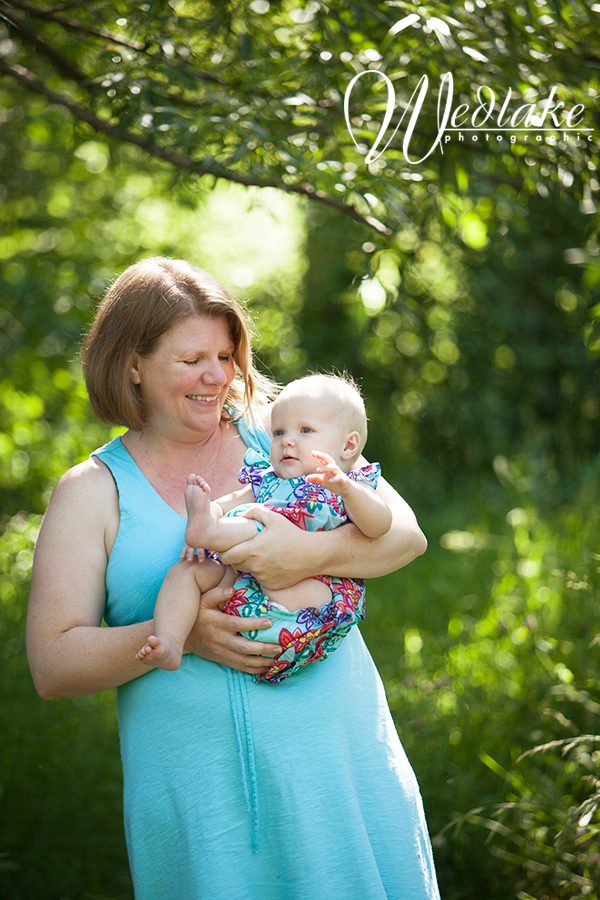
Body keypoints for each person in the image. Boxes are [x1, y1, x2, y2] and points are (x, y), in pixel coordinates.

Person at [27, 257, 440, 899]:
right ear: (132, 364)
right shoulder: (93, 491)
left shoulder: (280, 430)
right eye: (191, 359)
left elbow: (405, 537)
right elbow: (52, 665)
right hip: (202, 795)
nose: (216, 377)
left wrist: (303, 554)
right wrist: (184, 635)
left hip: (338, 761)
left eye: (225, 355)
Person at [136, 373, 393, 683]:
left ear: (348, 445)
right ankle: (170, 641)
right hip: (250, 593)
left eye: (305, 430)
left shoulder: (351, 485)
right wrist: (211, 509)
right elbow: (231, 500)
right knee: (187, 571)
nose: (287, 440)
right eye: (279, 431)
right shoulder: (268, 479)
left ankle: (209, 533)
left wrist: (348, 491)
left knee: (258, 524)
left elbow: (380, 525)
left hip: (309, 599)